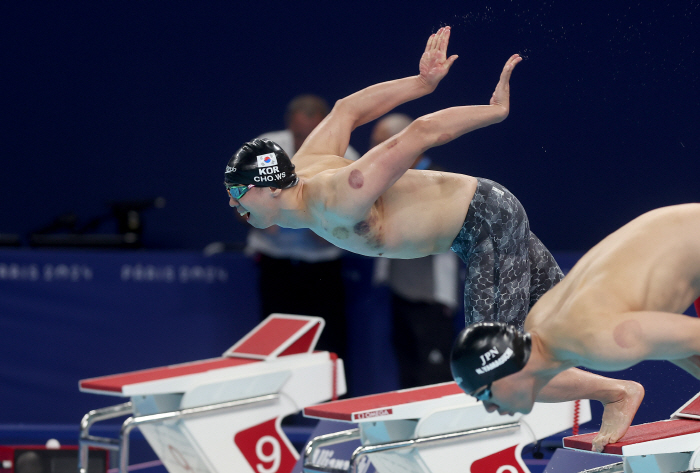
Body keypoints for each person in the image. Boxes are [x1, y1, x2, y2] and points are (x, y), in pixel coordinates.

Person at [223, 26, 642, 445]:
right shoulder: (307, 161)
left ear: (271, 187)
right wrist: (420, 83)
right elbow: (346, 109)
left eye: (237, 192)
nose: (232, 204)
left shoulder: (339, 197)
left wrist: (492, 112)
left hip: (485, 221)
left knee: (491, 368)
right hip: (477, 223)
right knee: (576, 322)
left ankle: (618, 393)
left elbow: (421, 132)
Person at [451, 203, 700, 452]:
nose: (489, 408)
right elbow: (669, 345)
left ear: (504, 369)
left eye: (484, 395)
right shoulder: (540, 325)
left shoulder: (599, 341)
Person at [245, 94, 359, 360]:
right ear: (288, 125)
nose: (303, 143)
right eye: (298, 135)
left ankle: (332, 400)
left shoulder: (347, 157)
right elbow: (238, 200)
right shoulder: (263, 150)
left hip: (322, 269)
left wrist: (330, 230)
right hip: (275, 265)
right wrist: (257, 217)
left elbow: (361, 215)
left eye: (311, 135)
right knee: (276, 346)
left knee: (329, 347)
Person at [371, 113, 460, 388]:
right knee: (407, 370)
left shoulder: (437, 181)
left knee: (433, 377)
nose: (372, 155)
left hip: (432, 298)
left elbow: (440, 236)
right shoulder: (384, 179)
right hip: (401, 292)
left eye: (380, 146)